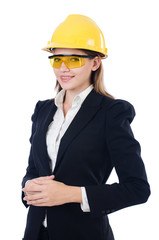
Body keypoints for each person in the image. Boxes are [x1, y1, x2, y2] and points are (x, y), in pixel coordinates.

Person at [21, 14, 150, 240]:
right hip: (35, 233)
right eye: (57, 59)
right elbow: (34, 170)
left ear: (95, 62)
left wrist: (71, 194)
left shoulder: (111, 113)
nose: (63, 68)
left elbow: (137, 188)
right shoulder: (43, 111)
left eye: (74, 60)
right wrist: (29, 188)